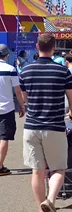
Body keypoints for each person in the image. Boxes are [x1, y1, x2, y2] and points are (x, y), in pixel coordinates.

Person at [20, 33, 72, 212]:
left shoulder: (25, 71)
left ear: (37, 46)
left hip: (32, 126)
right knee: (58, 168)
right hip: (54, 126)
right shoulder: (62, 71)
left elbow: (25, 98)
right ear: (54, 47)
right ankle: (50, 201)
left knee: (37, 171)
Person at [0, 44, 25, 176]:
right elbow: (17, 90)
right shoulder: (10, 69)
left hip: (6, 108)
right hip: (6, 108)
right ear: (6, 55)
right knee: (4, 137)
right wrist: (22, 105)